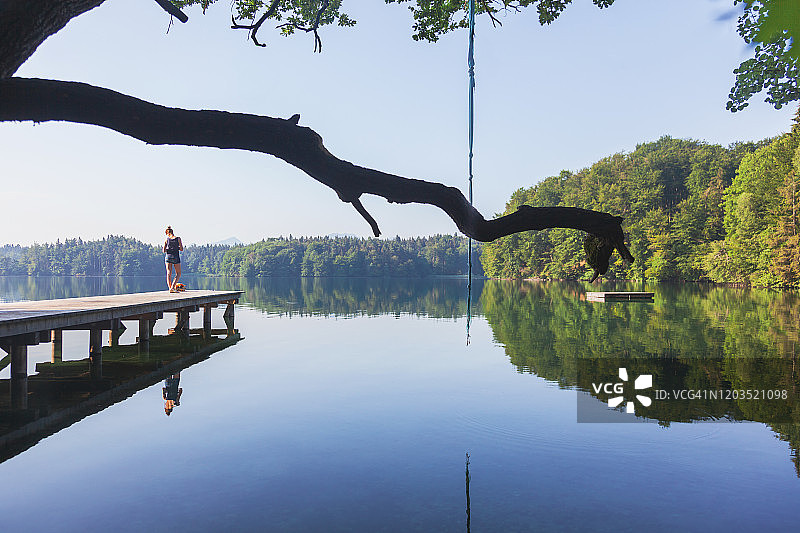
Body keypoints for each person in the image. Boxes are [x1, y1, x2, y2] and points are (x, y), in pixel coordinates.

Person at [163, 226, 183, 292]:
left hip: (168, 257)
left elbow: (163, 250)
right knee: (178, 273)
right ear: (172, 232)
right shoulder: (178, 239)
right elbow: (181, 249)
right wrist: (176, 248)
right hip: (175, 256)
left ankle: (170, 288)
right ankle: (172, 287)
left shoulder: (167, 240)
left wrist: (169, 249)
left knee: (169, 273)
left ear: (167, 233)